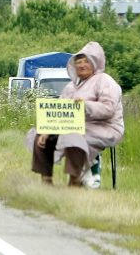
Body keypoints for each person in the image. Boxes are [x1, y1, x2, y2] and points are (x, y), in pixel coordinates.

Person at [26, 41, 124, 187]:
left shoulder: (105, 81)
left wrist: (85, 105)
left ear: (95, 63)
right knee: (40, 136)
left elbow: (108, 109)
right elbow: (58, 112)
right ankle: (46, 181)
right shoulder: (71, 87)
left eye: (86, 61)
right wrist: (47, 130)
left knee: (74, 137)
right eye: (79, 61)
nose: (82, 65)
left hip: (104, 127)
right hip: (72, 126)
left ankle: (75, 180)